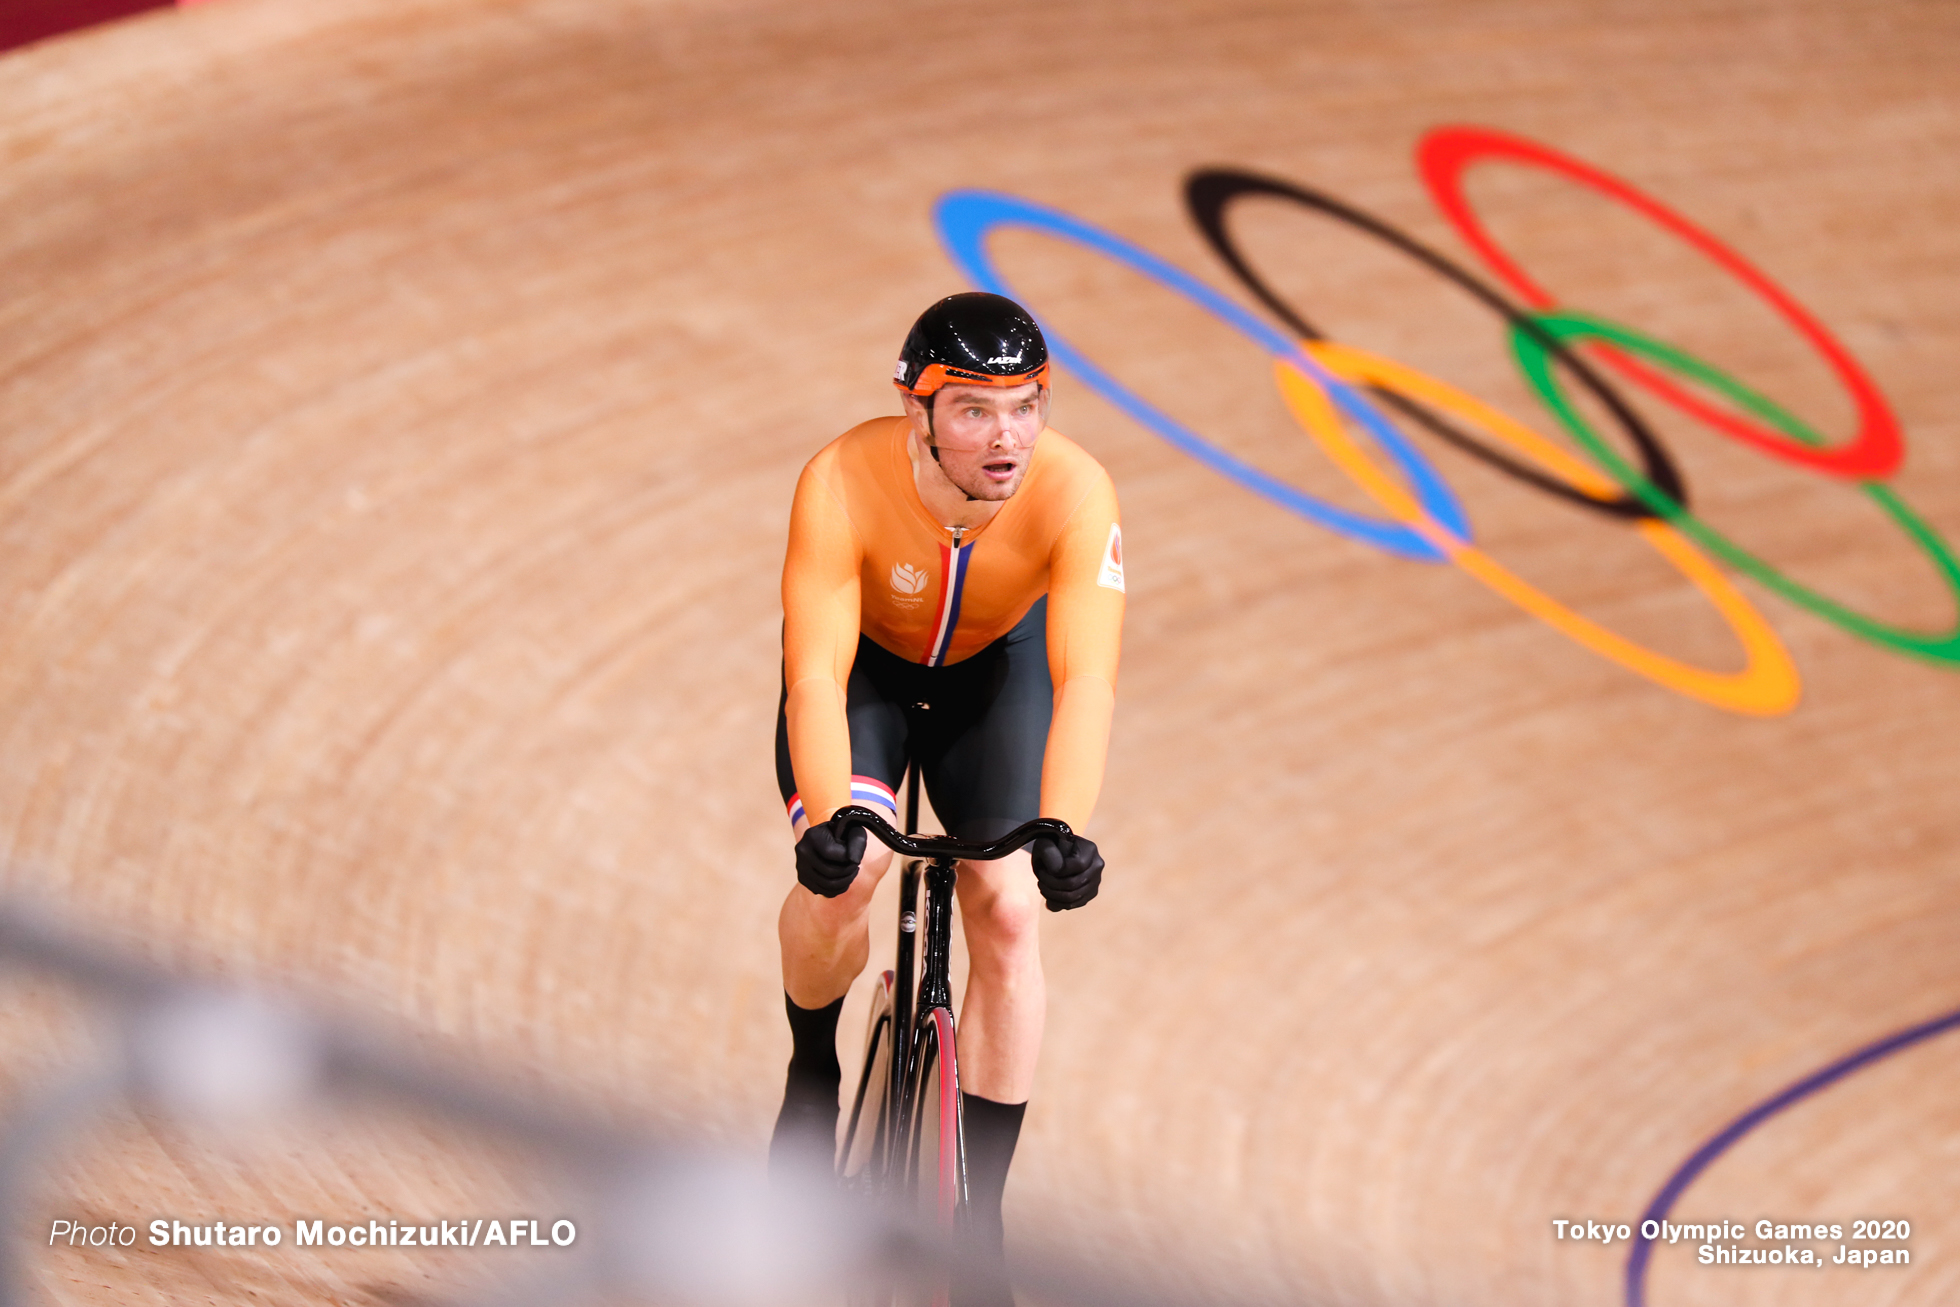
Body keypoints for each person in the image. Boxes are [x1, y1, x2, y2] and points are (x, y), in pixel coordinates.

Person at [771, 292, 1124, 1285]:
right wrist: (835, 812)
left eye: (1026, 406)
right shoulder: (841, 476)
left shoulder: (1077, 490)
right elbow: (813, 671)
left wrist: (1064, 824)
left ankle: (979, 1217)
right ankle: (811, 1068)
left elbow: (1086, 676)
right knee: (850, 875)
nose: (1005, 436)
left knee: (1009, 908)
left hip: (992, 682)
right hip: (866, 678)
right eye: (972, 409)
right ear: (915, 408)